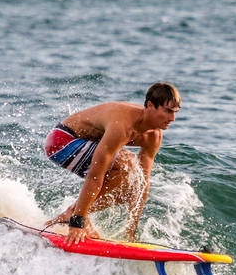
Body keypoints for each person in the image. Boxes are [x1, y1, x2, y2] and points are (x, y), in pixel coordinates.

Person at [43, 82, 181, 245]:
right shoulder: (122, 126)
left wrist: (131, 234)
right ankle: (75, 215)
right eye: (168, 111)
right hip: (62, 142)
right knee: (127, 165)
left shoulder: (154, 137)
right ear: (150, 105)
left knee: (132, 185)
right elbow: (95, 175)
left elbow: (142, 184)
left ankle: (74, 213)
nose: (172, 118)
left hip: (85, 144)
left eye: (175, 113)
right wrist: (77, 223)